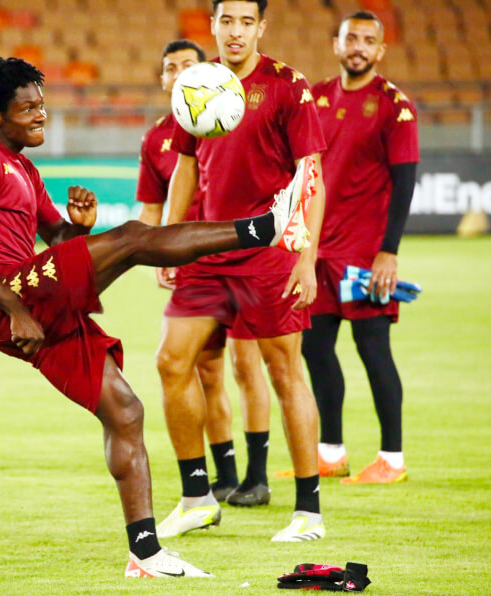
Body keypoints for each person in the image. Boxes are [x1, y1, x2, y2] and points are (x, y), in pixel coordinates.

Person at [0, 55, 309, 576]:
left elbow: (59, 242)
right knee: (134, 238)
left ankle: (145, 553)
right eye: (28, 108)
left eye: (42, 105)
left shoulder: (22, 165)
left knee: (125, 409)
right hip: (9, 298)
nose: (41, 115)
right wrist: (15, 309)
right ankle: (264, 228)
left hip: (33, 294)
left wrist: (79, 227)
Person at [155, 0, 328, 542]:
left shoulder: (287, 86)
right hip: (208, 248)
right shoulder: (197, 81)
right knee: (171, 361)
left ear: (261, 27)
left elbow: (312, 175)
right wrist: (167, 238)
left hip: (268, 252)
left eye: (245, 22)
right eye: (225, 21)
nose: (234, 31)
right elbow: (185, 166)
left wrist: (306, 258)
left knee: (284, 373)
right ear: (212, 26)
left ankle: (308, 511)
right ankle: (196, 497)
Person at [300, 10, 418, 484]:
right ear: (336, 43)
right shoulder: (320, 97)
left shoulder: (394, 105)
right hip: (320, 252)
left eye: (369, 40)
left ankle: (392, 459)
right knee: (315, 347)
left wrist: (388, 251)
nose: (359, 47)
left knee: (373, 349)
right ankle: (331, 452)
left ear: (380, 51)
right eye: (352, 38)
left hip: (365, 256)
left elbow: (405, 181)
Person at [135, 39, 241, 501]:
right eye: (169, 67)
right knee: (203, 369)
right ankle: (224, 479)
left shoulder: (232, 117)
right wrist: (152, 251)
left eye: (187, 65)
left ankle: (247, 475)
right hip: (191, 264)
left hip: (239, 258)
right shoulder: (158, 136)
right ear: (162, 80)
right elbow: (151, 208)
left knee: (245, 368)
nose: (178, 73)